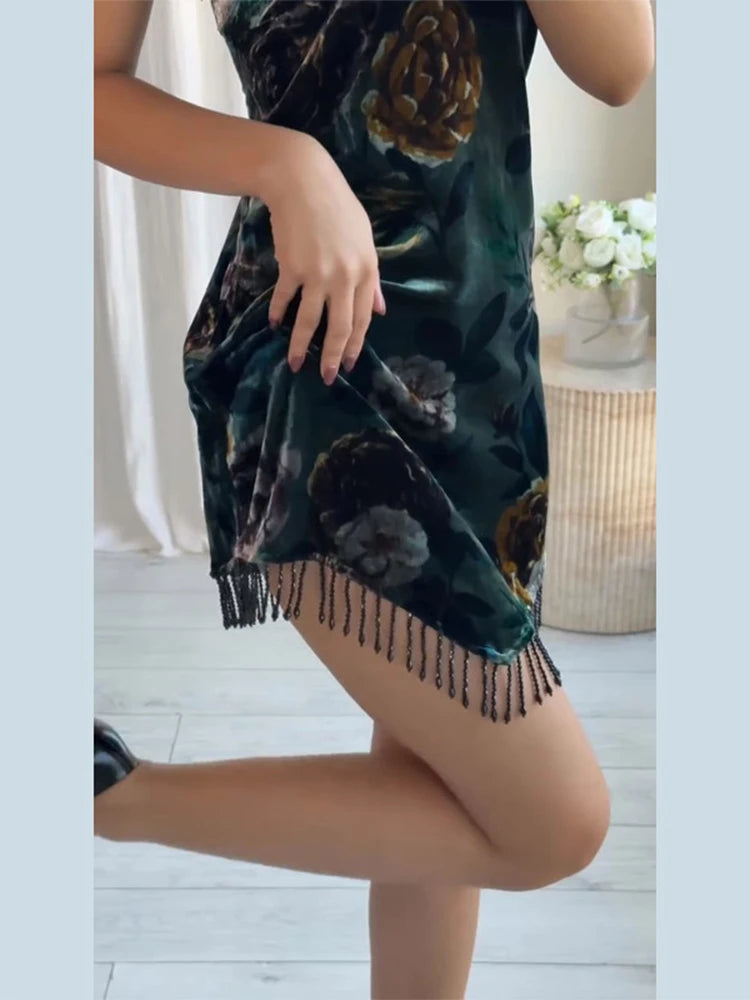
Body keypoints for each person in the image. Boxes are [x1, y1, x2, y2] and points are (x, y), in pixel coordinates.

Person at [94, 2, 654, 997]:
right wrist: (286, 165)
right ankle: (101, 794)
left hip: (485, 375)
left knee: (445, 780)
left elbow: (619, 66)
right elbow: (84, 86)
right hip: (317, 357)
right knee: (553, 823)